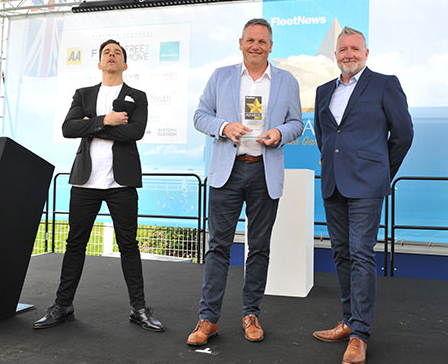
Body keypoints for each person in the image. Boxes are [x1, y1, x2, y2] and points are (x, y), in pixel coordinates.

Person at [33, 39, 163, 332]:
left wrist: (93, 126)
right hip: (85, 182)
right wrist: (108, 120)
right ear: (99, 63)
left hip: (121, 183)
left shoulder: (137, 96)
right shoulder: (84, 94)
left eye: (117, 53)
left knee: (128, 245)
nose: (111, 55)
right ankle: (62, 306)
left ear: (125, 64)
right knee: (75, 244)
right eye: (107, 52)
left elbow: (135, 132)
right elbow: (69, 128)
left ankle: (139, 309)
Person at [187, 18, 303, 346]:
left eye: (262, 41)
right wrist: (224, 127)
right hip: (228, 171)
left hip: (265, 172)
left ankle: (251, 314)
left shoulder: (286, 81)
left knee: (259, 248)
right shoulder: (220, 76)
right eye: (250, 40)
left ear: (271, 46)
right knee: (218, 247)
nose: (255, 46)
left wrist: (280, 132)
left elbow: (297, 123)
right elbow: (200, 116)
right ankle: (208, 319)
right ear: (240, 43)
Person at [311, 27, 413, 364]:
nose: (349, 54)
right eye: (343, 49)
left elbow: (403, 134)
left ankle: (360, 335)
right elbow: (324, 136)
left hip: (367, 185)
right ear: (335, 55)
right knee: (341, 253)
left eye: (355, 48)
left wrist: (381, 170)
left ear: (366, 53)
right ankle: (348, 320)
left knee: (360, 253)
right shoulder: (324, 90)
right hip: (333, 183)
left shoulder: (385, 84)